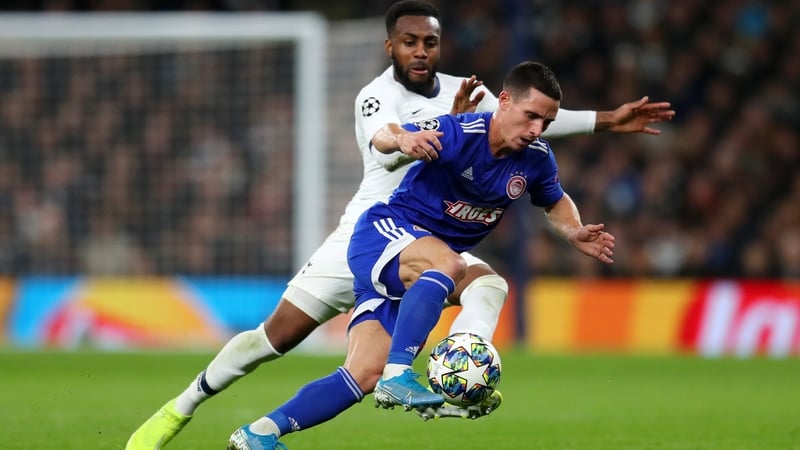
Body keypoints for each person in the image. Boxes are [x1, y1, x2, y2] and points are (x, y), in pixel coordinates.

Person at [127, 1, 673, 449]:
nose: (420, 51)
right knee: (272, 339)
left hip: (430, 242)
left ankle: (275, 430)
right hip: (371, 231)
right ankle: (179, 410)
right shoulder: (376, 96)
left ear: (439, 46)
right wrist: (410, 138)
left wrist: (607, 121)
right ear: (391, 46)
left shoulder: (477, 96)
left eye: (429, 42)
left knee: (469, 294)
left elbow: (537, 118)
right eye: (409, 42)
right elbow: (385, 138)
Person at [227, 59, 615, 449]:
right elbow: (387, 136)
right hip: (383, 235)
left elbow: (555, 200)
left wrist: (574, 230)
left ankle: (258, 434)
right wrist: (402, 140)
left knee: (364, 373)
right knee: (452, 264)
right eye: (531, 116)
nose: (535, 130)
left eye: (545, 123)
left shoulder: (535, 159)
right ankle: (411, 371)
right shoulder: (459, 131)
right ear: (504, 101)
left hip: (421, 267)